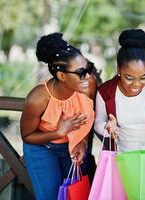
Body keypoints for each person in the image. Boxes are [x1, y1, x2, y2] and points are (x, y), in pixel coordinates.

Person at [20, 33, 95, 200]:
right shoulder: (38, 98)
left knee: (74, 196)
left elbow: (88, 118)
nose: (88, 76)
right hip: (42, 149)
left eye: (89, 68)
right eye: (81, 72)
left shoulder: (88, 85)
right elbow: (27, 136)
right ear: (61, 76)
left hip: (72, 148)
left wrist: (81, 142)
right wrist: (59, 132)